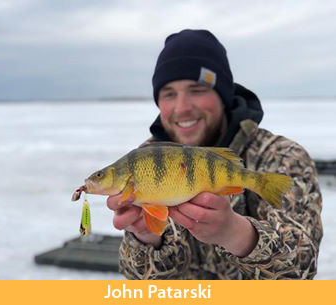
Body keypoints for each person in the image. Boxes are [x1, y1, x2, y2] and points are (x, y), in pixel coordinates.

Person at [107, 29, 322, 279]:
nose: (182, 107)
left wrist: (236, 233)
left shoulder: (282, 156)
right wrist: (146, 239)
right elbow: (143, 285)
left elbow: (302, 271)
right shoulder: (147, 159)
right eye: (169, 94)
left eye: (196, 90)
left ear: (223, 95)